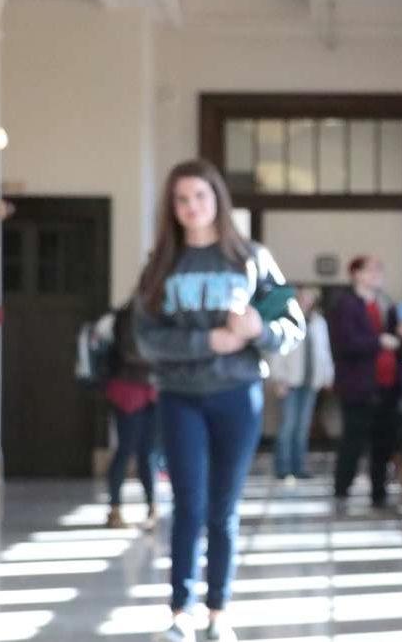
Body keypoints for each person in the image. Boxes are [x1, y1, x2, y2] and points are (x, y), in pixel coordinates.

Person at [133, 159, 305, 642]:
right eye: (181, 199)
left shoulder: (251, 258)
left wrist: (257, 330)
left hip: (237, 396)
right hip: (180, 397)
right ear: (172, 207)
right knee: (188, 503)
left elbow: (292, 324)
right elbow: (146, 340)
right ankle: (181, 610)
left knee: (224, 508)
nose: (191, 207)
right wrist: (211, 343)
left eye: (200, 197)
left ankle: (219, 609)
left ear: (217, 200)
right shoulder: (161, 264)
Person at [328, 256, 402, 508]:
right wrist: (379, 342)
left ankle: (379, 491)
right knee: (352, 440)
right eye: (370, 270)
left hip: (388, 384)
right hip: (358, 385)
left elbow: (396, 340)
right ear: (356, 274)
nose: (377, 274)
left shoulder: (386, 303)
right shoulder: (346, 305)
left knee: (383, 441)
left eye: (379, 269)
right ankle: (342, 489)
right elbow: (345, 343)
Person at [101, 300, 161, 530]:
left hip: (151, 390)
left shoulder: (157, 314)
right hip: (128, 389)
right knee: (125, 449)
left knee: (148, 452)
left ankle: (152, 506)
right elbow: (128, 352)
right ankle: (114, 508)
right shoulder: (126, 317)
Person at [266, 286, 335, 481]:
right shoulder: (285, 318)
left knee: (303, 426)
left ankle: (299, 466)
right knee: (287, 425)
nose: (306, 300)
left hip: (310, 380)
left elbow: (324, 351)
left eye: (310, 297)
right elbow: (278, 351)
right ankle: (283, 467)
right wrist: (277, 378)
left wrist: (327, 376)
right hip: (289, 381)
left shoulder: (319, 322)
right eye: (303, 296)